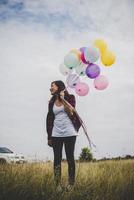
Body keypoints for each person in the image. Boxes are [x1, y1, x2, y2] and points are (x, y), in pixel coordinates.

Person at [46, 80, 81, 187]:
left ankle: (71, 184)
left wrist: (63, 99)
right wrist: (49, 136)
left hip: (70, 132)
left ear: (59, 87)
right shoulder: (51, 102)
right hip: (56, 134)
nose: (50, 88)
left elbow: (71, 112)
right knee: (57, 159)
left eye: (52, 86)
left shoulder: (71, 98)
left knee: (70, 158)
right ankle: (57, 185)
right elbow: (49, 119)